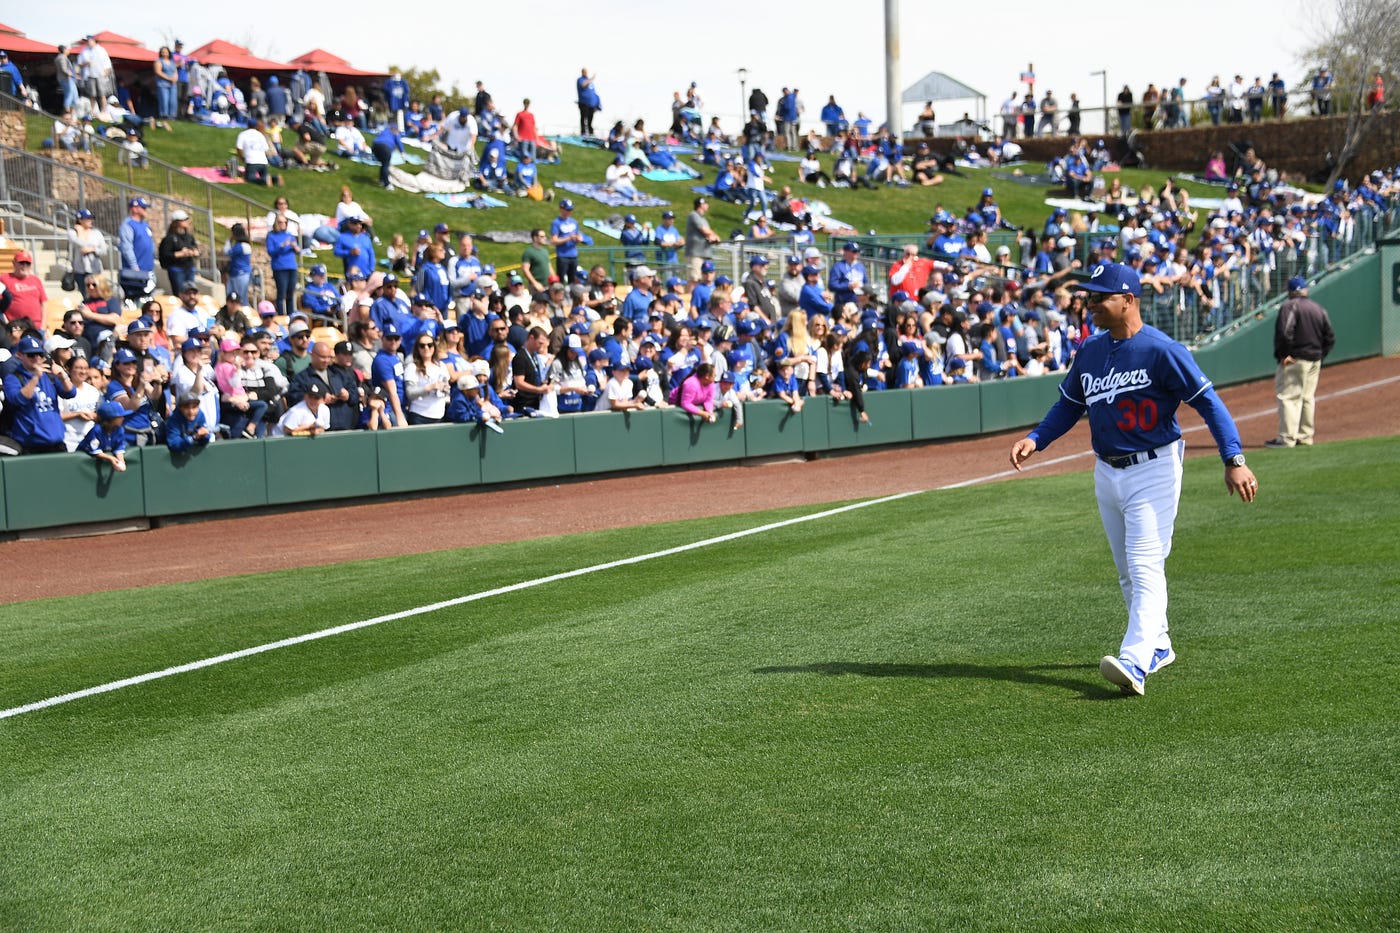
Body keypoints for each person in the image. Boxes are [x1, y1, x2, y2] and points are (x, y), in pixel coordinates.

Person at [1008, 262, 1259, 697]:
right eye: (1088, 297)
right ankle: (1159, 645)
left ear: (1128, 300)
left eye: (1099, 297)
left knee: (1144, 565)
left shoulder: (1161, 350)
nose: (1090, 305)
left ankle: (1136, 660)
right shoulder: (1089, 350)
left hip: (1154, 468)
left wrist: (1233, 458)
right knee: (1128, 571)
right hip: (1107, 470)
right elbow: (1070, 405)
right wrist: (1036, 439)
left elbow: (1210, 405)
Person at [1267, 276, 1335, 449]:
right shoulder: (1317, 308)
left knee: (1288, 397)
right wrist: (1320, 355)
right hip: (1314, 359)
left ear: (1290, 291)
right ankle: (1305, 436)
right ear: (1305, 290)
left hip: (1295, 359)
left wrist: (1284, 355)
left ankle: (1287, 438)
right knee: (1307, 398)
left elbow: (1285, 332)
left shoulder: (1290, 306)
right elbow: (1330, 337)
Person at [4, 334, 77, 454]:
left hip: (57, 443)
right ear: (20, 355)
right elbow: (18, 400)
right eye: (31, 355)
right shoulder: (13, 378)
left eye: (40, 354)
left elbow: (70, 393)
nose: (37, 358)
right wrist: (35, 377)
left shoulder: (48, 375)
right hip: (32, 445)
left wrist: (63, 377)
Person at [577, 68, 601, 136]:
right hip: (584, 103)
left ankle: (591, 133)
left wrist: (597, 103)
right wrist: (591, 79)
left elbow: (593, 93)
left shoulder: (591, 83)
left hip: (591, 104)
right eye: (585, 72)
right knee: (584, 118)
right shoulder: (580, 80)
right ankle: (583, 132)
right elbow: (583, 85)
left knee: (590, 119)